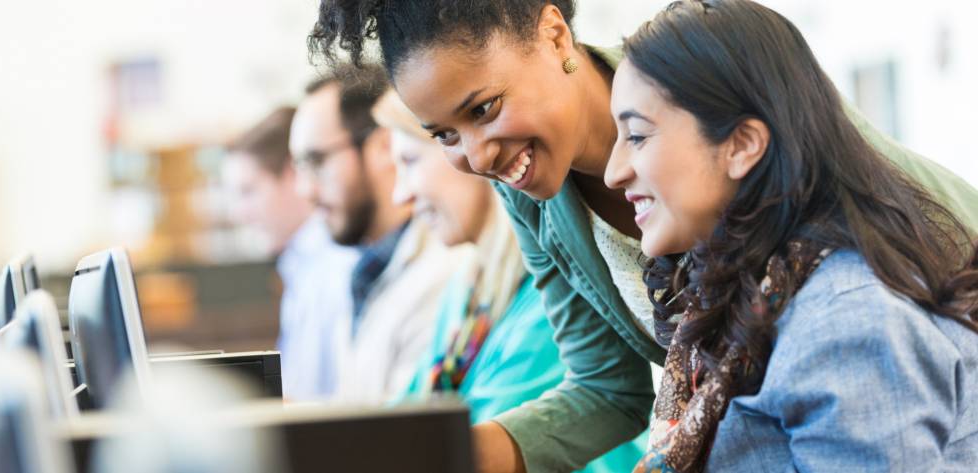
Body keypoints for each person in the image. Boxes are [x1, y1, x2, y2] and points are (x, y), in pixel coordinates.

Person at [308, 1, 978, 471]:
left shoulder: (710, 86)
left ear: (555, 36)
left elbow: (918, 238)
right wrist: (454, 454)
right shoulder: (532, 191)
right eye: (445, 136)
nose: (478, 157)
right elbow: (609, 387)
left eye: (483, 109)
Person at [602, 1, 978, 471]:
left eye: (636, 136)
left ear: (741, 145)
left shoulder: (845, 321)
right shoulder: (758, 292)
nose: (614, 172)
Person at [373, 89, 648, 472]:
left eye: (410, 161)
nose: (401, 193)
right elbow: (402, 422)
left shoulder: (548, 300)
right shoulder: (467, 293)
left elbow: (460, 443)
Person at [289, 64, 462, 404]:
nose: (305, 189)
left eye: (317, 161)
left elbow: (409, 432)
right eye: (299, 166)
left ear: (383, 147)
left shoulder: (445, 271)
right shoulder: (365, 269)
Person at [221, 107, 359, 401]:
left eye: (247, 191)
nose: (238, 213)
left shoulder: (336, 265)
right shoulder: (301, 264)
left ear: (292, 174)